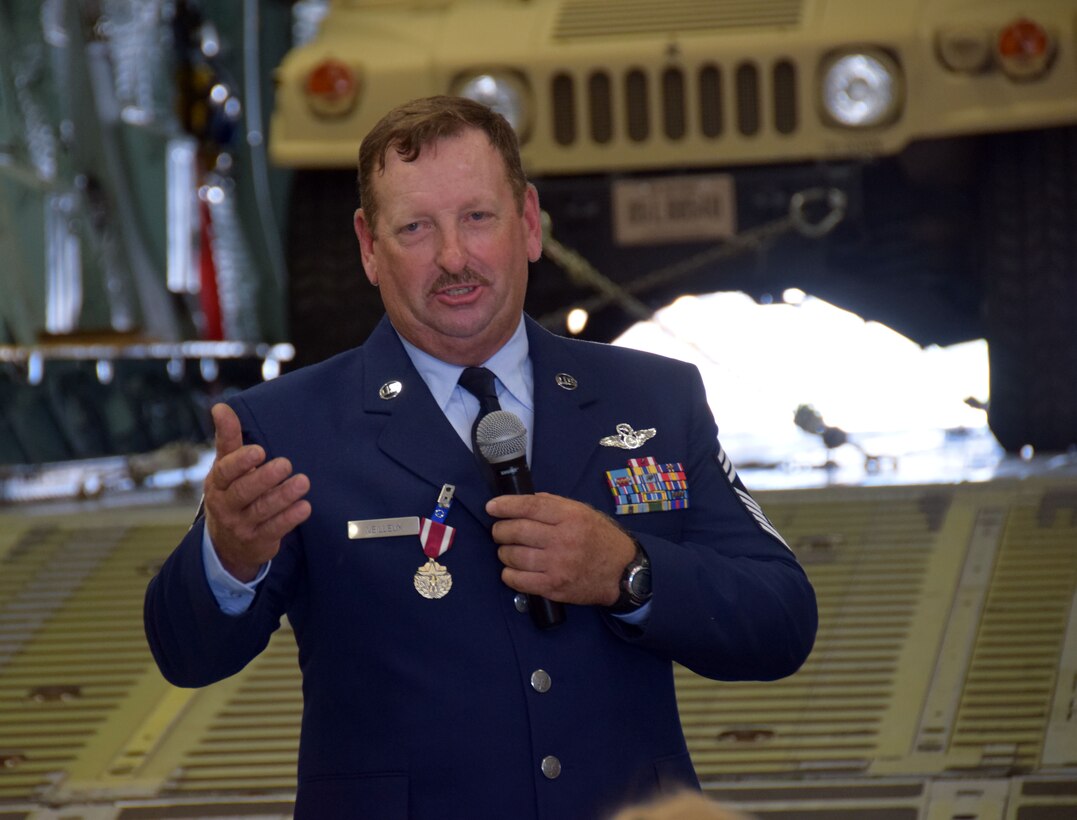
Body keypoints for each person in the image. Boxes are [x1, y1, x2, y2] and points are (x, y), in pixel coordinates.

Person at [144, 96, 817, 819]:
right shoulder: (284, 426)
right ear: (369, 247)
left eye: (477, 217)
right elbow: (188, 655)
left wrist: (627, 571)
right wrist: (228, 557)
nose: (453, 258)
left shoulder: (652, 398)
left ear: (528, 223)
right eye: (414, 229)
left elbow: (778, 622)